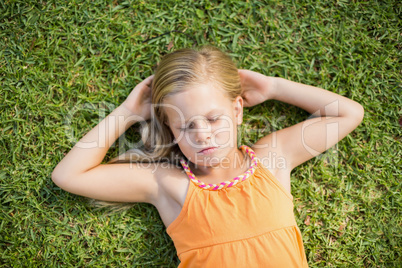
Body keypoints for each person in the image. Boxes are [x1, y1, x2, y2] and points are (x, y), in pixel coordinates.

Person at [52, 46, 364, 267]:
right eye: (186, 125)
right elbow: (68, 176)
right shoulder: (166, 184)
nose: (203, 135)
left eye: (214, 118)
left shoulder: (271, 159)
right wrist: (127, 113)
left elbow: (348, 113)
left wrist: (273, 87)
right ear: (170, 130)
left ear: (238, 110)